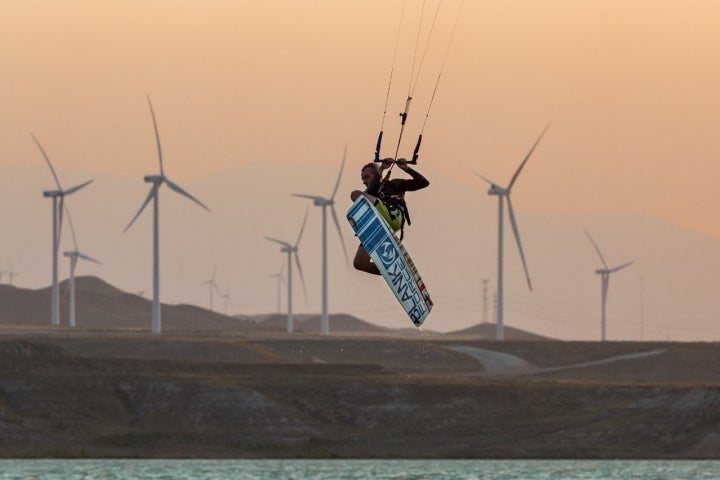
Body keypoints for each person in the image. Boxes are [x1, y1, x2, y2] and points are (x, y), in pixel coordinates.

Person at [350, 157, 429, 275]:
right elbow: (366, 194)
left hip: (392, 216)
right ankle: (395, 272)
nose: (364, 181)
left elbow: (424, 183)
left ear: (377, 175)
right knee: (359, 263)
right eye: (362, 179)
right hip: (378, 226)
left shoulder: (395, 183)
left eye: (366, 177)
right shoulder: (371, 193)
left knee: (355, 194)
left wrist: (406, 168)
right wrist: (380, 170)